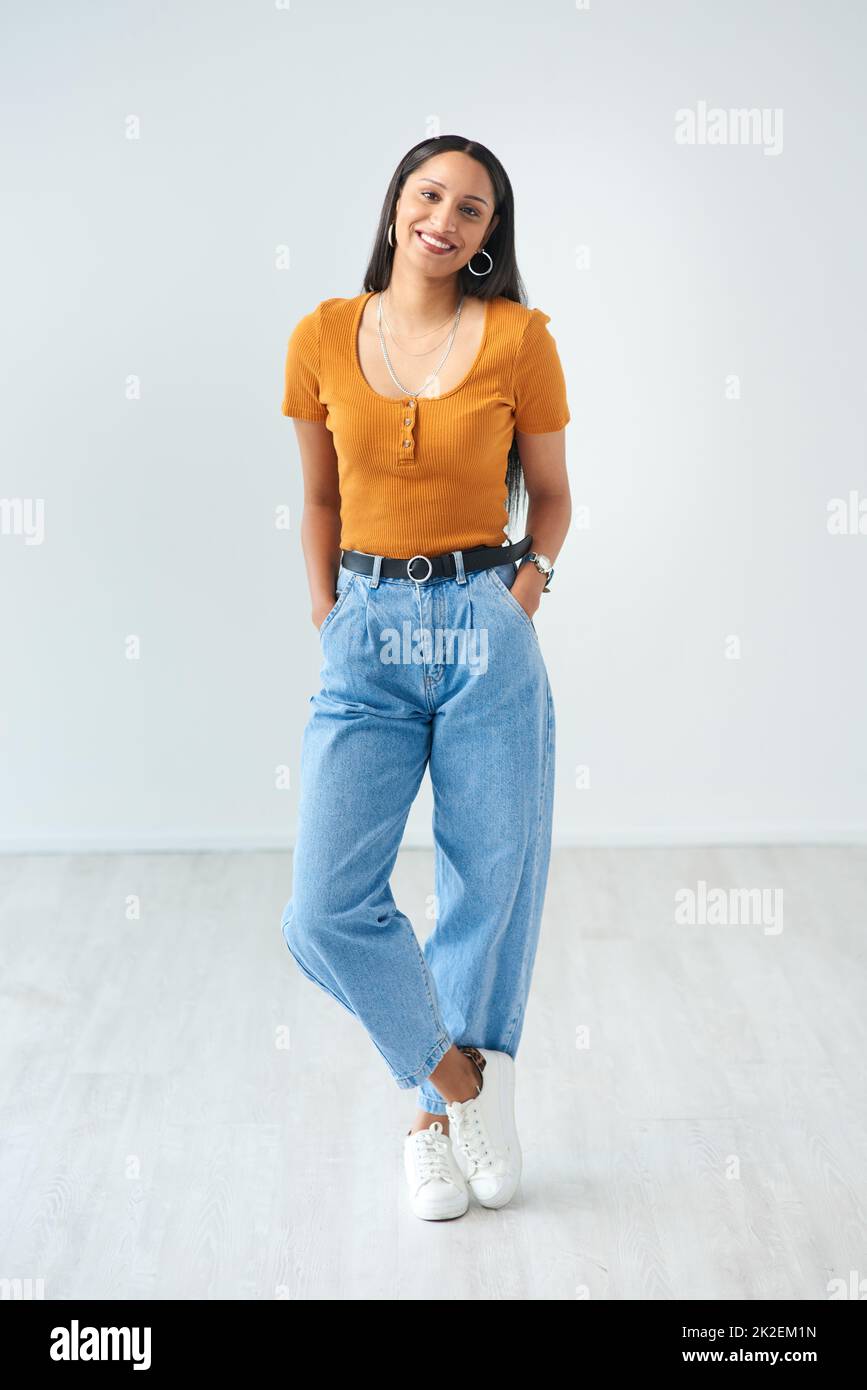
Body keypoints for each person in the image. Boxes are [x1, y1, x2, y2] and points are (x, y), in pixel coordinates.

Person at [278, 135, 571, 1221]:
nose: (447, 218)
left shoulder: (520, 340)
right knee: (322, 907)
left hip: (484, 621)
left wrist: (521, 593)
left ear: (491, 236)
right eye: (432, 193)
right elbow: (317, 498)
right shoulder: (320, 333)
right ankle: (457, 1077)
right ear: (399, 202)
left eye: (474, 208)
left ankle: (435, 1131)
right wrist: (328, 613)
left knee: (487, 885)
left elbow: (551, 494)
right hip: (367, 626)